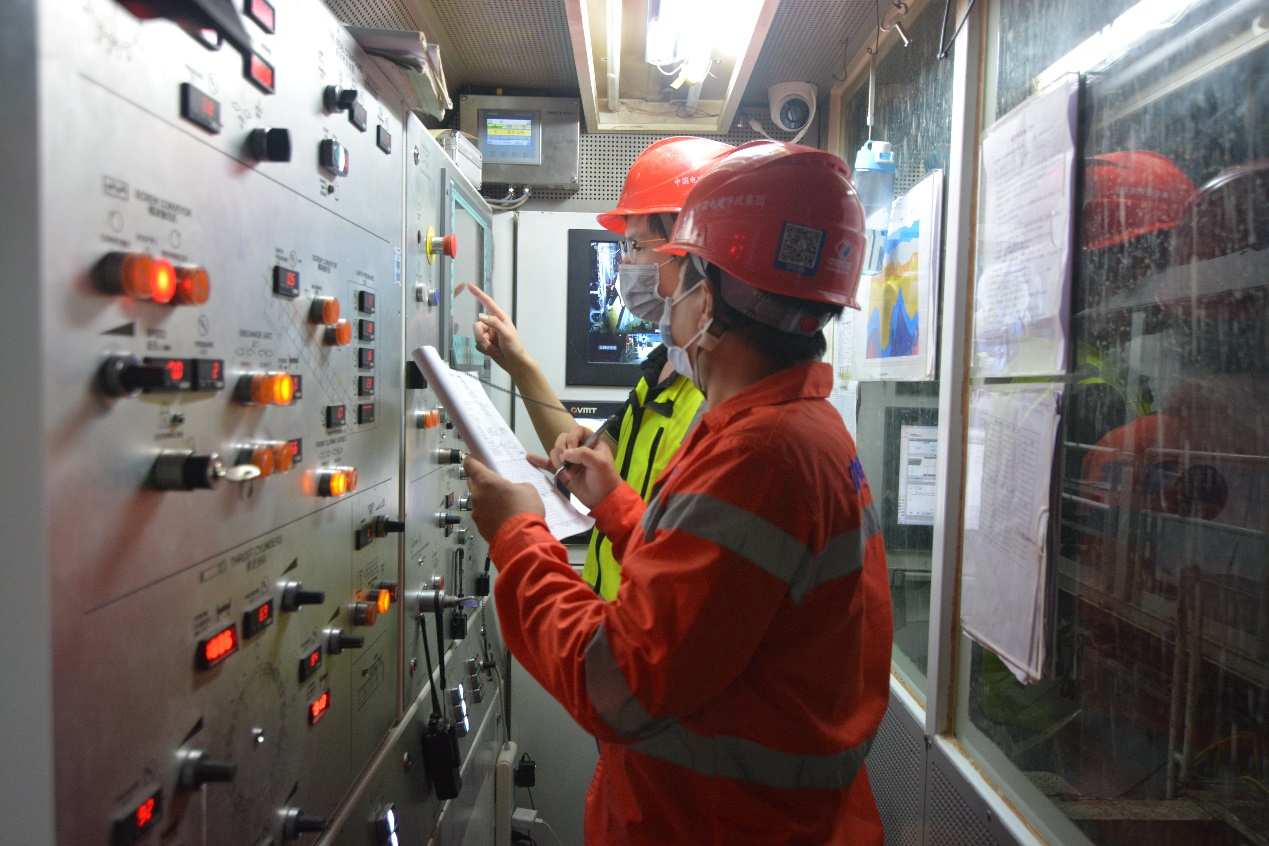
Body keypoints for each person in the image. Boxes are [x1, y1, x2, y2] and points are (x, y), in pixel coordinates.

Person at [463, 141, 893, 844]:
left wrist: (518, 538)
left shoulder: (758, 456)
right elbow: (711, 585)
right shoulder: (786, 429)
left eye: (673, 266)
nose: (661, 289)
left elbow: (615, 683)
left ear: (710, 292)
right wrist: (616, 506)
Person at [457, 135, 731, 600]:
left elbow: (676, 583)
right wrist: (519, 364)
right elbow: (586, 461)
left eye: (636, 245)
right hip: (617, 613)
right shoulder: (665, 369)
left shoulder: (717, 406)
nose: (627, 263)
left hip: (637, 627)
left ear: (690, 254)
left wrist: (518, 534)